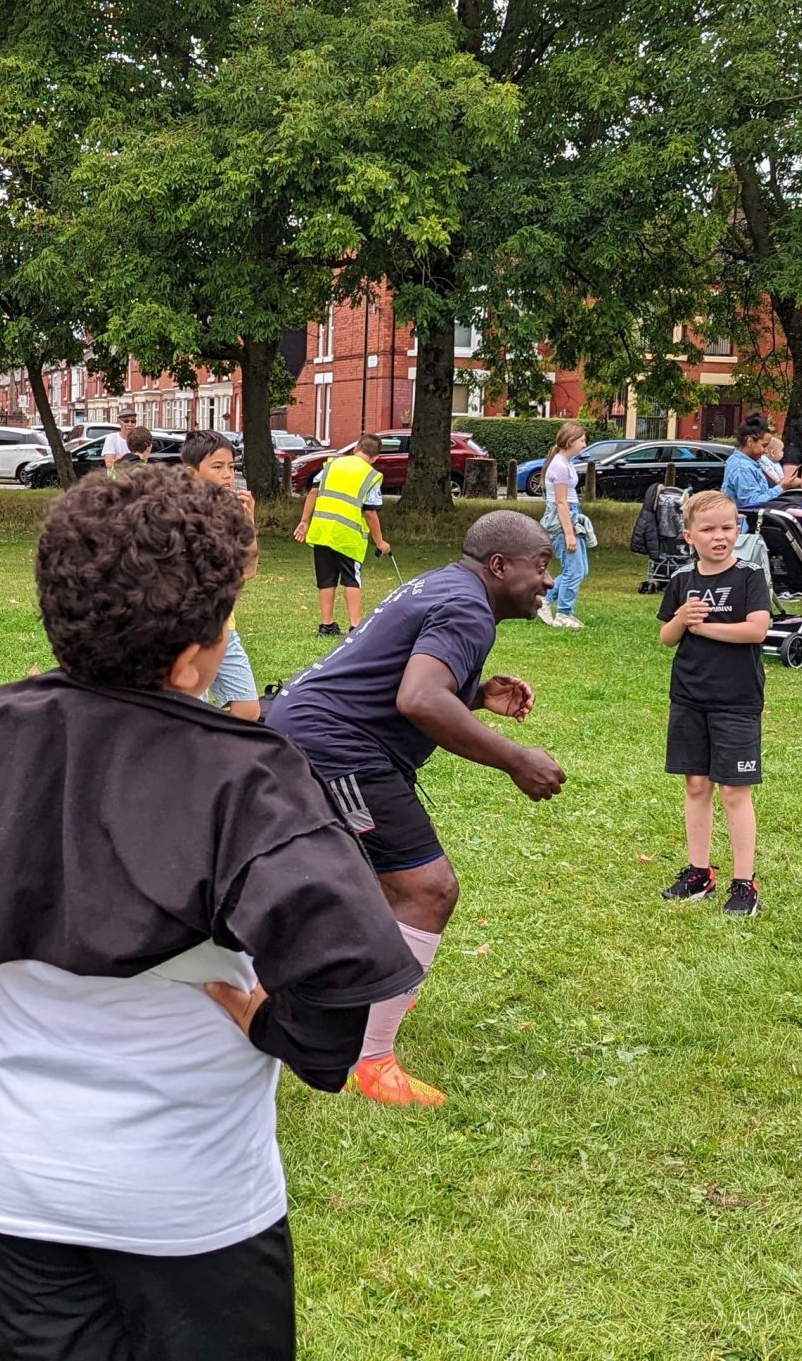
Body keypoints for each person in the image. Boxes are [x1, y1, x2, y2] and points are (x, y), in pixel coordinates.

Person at [0, 465, 420, 1361]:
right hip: (195, 1205)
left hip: (19, 1189)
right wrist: (286, 1030)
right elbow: (346, 963)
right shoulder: (250, 776)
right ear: (198, 654)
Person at [264, 511, 564, 1106]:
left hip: (311, 730)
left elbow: (400, 677)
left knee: (361, 883)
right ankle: (369, 1060)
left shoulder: (446, 586)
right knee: (428, 889)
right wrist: (515, 760)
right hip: (334, 746)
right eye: (541, 566)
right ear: (499, 567)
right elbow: (420, 698)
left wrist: (476, 695)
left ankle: (346, 995)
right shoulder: (468, 607)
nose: (547, 581)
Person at [655, 492, 773, 913]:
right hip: (689, 698)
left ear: (738, 530)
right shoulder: (682, 581)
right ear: (689, 536)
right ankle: (699, 873)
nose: (719, 536)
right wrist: (681, 621)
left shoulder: (749, 576)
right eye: (708, 530)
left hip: (737, 701)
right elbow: (667, 638)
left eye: (727, 528)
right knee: (696, 784)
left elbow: (757, 630)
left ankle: (745, 883)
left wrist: (705, 631)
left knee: (734, 792)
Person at [183, 430, 261, 721]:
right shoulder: (179, 518)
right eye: (217, 467)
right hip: (188, 632)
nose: (228, 475)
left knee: (248, 710)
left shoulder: (228, 515)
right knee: (190, 713)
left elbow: (248, 571)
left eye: (231, 467)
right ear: (192, 473)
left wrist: (248, 524)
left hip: (224, 628)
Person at [291, 434, 390, 638]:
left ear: (356, 449)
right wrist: (380, 542)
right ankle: (355, 627)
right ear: (376, 457)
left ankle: (326, 626)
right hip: (348, 536)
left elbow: (313, 493)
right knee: (352, 580)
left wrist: (304, 521)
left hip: (322, 531)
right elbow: (370, 512)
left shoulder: (331, 465)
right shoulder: (371, 475)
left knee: (326, 579)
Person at [538, 422, 592, 629]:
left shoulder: (565, 462)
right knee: (574, 569)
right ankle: (564, 614)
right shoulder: (559, 465)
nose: (584, 444)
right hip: (562, 520)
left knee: (581, 569)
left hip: (571, 515)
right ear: (570, 441)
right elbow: (560, 502)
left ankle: (545, 600)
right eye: (582, 440)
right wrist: (569, 535)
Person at [719, 421, 784, 512]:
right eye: (764, 445)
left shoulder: (743, 462)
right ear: (750, 442)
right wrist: (782, 487)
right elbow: (752, 503)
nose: (765, 451)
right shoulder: (742, 467)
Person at [98, 410, 138, 475]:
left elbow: (140, 462)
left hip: (133, 481)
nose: (130, 424)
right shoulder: (112, 438)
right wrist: (131, 461)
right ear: (119, 422)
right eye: (126, 421)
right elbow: (109, 463)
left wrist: (119, 459)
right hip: (116, 481)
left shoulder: (137, 439)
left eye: (133, 421)